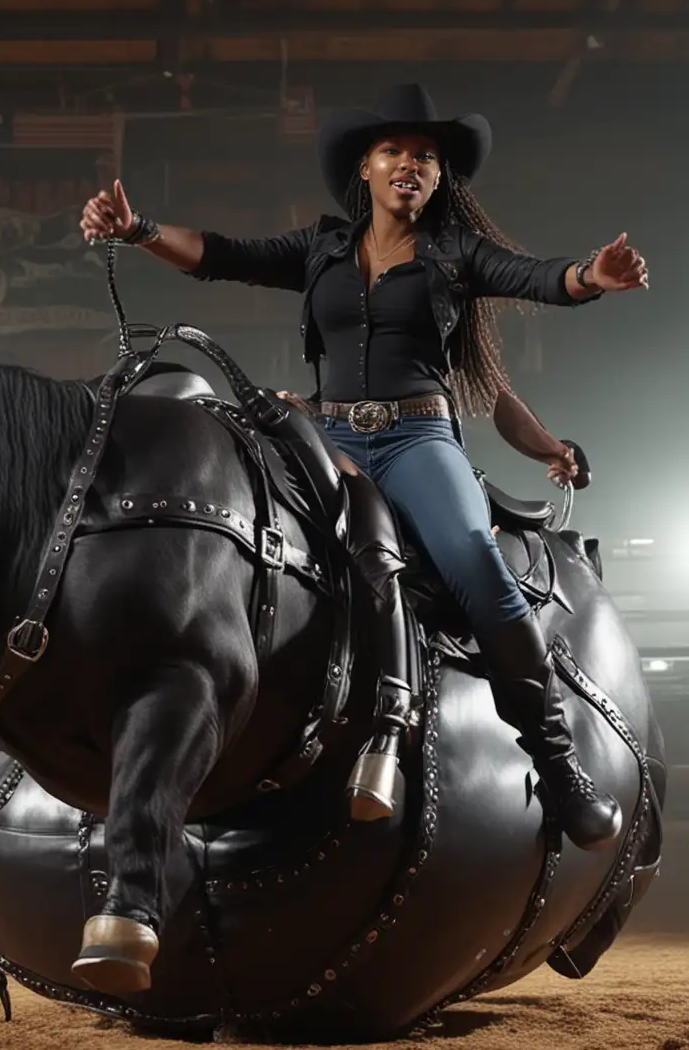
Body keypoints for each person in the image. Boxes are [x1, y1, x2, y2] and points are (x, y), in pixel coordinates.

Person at [78, 83, 647, 850]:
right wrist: (138, 228)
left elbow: (539, 277)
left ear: (439, 179)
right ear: (367, 171)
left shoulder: (458, 256)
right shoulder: (320, 248)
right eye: (393, 152)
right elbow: (220, 257)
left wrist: (591, 276)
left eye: (425, 157)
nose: (409, 164)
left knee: (476, 563)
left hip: (417, 441)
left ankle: (557, 764)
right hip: (330, 441)